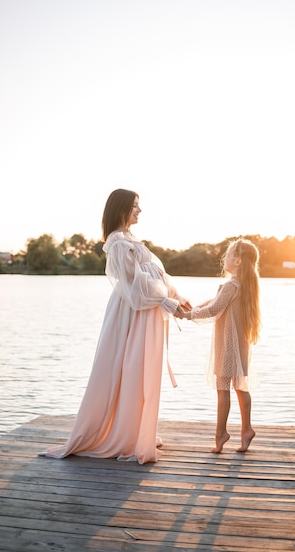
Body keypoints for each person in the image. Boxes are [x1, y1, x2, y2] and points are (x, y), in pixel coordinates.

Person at [40, 188, 190, 464]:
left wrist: (176, 295)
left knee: (139, 369)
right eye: (135, 205)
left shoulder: (130, 239)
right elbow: (134, 283)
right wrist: (165, 301)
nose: (139, 210)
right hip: (132, 311)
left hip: (144, 308)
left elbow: (156, 274)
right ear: (121, 208)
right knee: (129, 368)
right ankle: (124, 434)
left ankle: (135, 431)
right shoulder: (119, 242)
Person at [180, 238, 261, 454]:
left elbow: (214, 309)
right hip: (240, 345)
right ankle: (246, 430)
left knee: (222, 389)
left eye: (228, 255)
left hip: (227, 345)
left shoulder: (231, 286)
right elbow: (213, 302)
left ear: (237, 260)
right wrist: (194, 307)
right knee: (240, 387)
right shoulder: (244, 285)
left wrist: (187, 315)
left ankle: (220, 433)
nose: (224, 259)